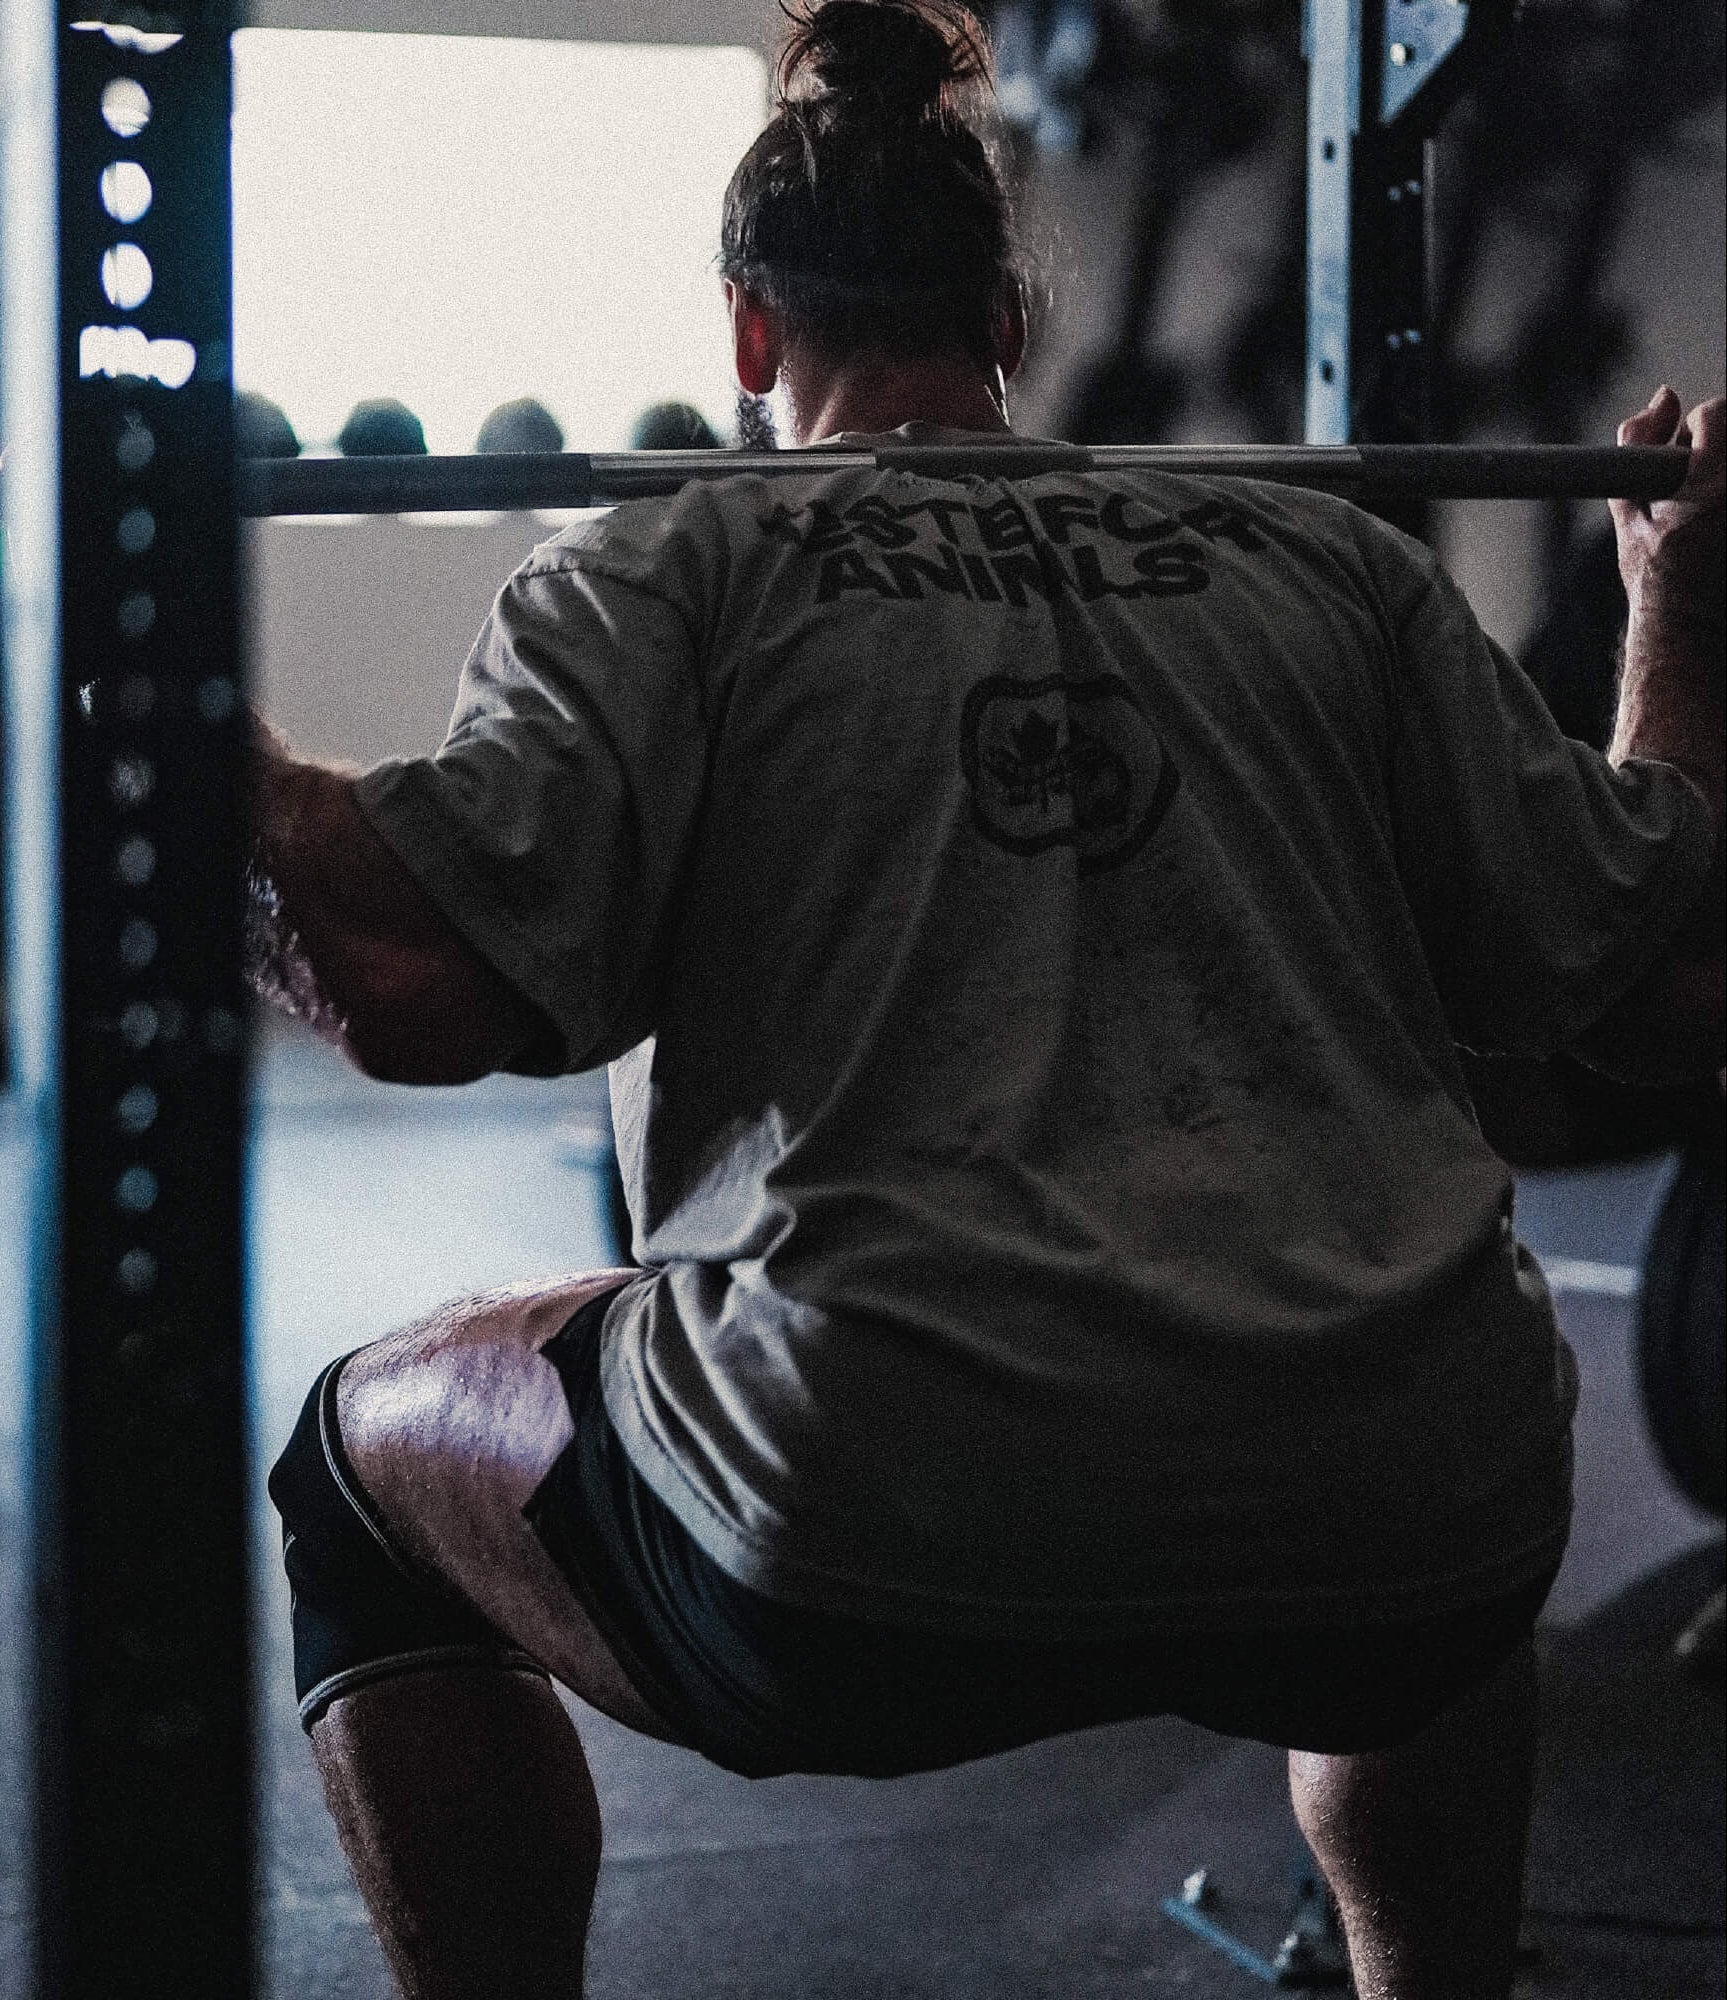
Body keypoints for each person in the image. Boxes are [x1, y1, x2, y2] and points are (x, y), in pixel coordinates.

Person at [248, 4, 1725, 1997]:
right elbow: (1657, 978)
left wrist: (176, 722)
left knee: (352, 1463)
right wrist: (1682, 596)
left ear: (749, 335)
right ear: (1008, 326)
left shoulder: (665, 565)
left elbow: (410, 985)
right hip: (1413, 1515)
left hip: (873, 1528)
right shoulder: (1321, 561)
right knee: (1396, 1380)